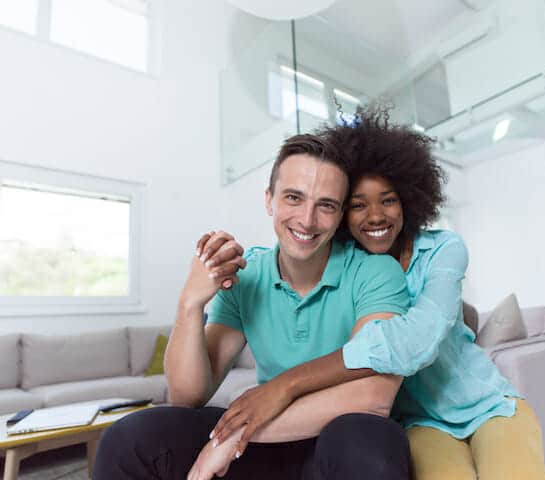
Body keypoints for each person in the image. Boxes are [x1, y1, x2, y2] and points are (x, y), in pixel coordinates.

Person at [207, 106, 545, 480]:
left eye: (387, 199)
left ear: (408, 199)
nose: (375, 216)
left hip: (486, 406)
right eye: (357, 204)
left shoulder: (442, 249)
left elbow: (416, 341)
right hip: (419, 423)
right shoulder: (350, 273)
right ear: (338, 214)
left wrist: (285, 386)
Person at [93, 134, 411, 480]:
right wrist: (191, 302)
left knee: (372, 449)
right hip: (265, 447)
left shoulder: (376, 272)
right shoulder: (248, 274)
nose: (307, 219)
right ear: (269, 199)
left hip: (333, 440)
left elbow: (374, 394)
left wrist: (234, 435)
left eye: (326, 205)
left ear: (339, 216)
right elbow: (187, 395)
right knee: (128, 439)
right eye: (293, 198)